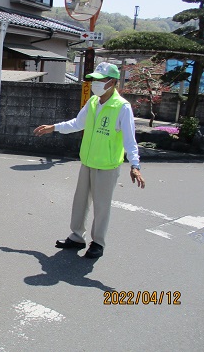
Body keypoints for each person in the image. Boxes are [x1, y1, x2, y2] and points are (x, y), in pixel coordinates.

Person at [33, 62, 145, 259]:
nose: (96, 83)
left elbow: (130, 139)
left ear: (113, 82)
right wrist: (54, 127)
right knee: (80, 202)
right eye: (94, 80)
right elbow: (77, 123)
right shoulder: (93, 102)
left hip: (107, 165)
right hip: (88, 162)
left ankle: (98, 243)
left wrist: (135, 165)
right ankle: (76, 236)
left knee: (102, 207)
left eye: (101, 80)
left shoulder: (122, 107)